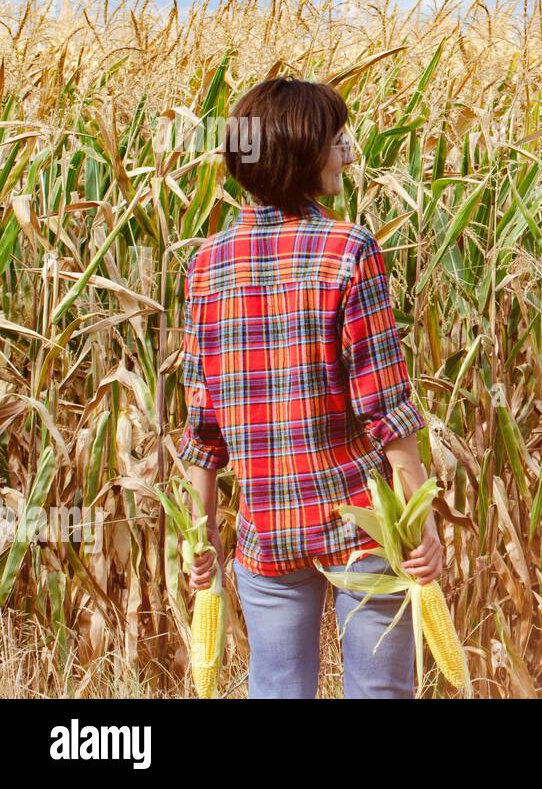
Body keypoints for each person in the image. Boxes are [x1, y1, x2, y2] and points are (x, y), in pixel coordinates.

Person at [177, 77, 443, 698]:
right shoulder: (348, 249)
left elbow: (202, 428)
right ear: (300, 150)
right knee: (380, 691)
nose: (345, 151)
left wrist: (203, 533)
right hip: (361, 525)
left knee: (276, 689)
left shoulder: (207, 265)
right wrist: (419, 523)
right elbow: (386, 407)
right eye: (334, 138)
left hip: (266, 529)